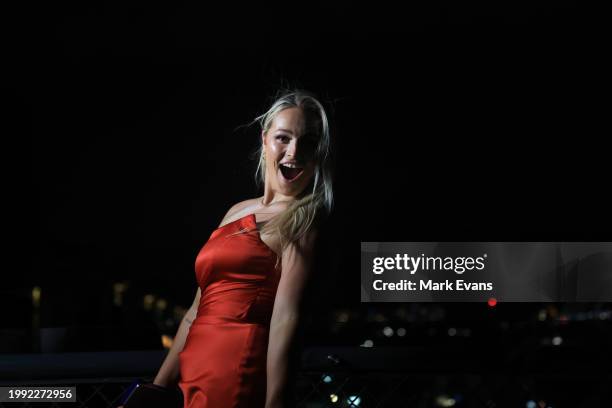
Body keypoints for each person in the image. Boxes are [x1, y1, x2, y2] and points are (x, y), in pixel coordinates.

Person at [121, 90, 334, 408]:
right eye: (283, 138)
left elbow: (285, 318)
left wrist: (274, 402)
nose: (294, 151)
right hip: (192, 373)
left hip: (235, 372)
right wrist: (158, 387)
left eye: (308, 141)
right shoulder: (236, 210)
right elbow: (195, 310)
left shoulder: (302, 221)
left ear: (319, 151)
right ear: (264, 141)